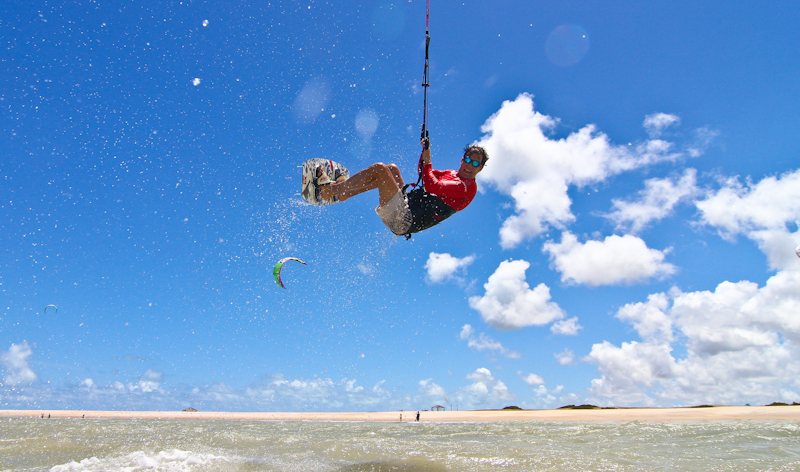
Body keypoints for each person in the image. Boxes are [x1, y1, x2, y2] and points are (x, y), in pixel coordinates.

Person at [318, 139, 488, 237]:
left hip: (404, 220)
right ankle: (344, 194)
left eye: (475, 163)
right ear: (462, 159)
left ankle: (330, 191)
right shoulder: (452, 174)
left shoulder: (467, 188)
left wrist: (428, 158)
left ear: (480, 168)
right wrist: (425, 150)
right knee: (391, 169)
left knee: (379, 169)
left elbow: (432, 185)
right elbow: (424, 171)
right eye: (468, 160)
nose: (469, 165)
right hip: (407, 204)